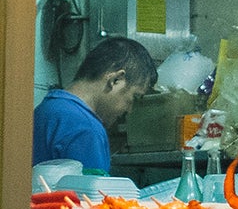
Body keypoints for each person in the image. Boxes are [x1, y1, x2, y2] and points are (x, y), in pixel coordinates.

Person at [32, 36, 157, 175]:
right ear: (116, 80)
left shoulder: (46, 109)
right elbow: (93, 196)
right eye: (134, 97)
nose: (130, 109)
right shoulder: (86, 128)